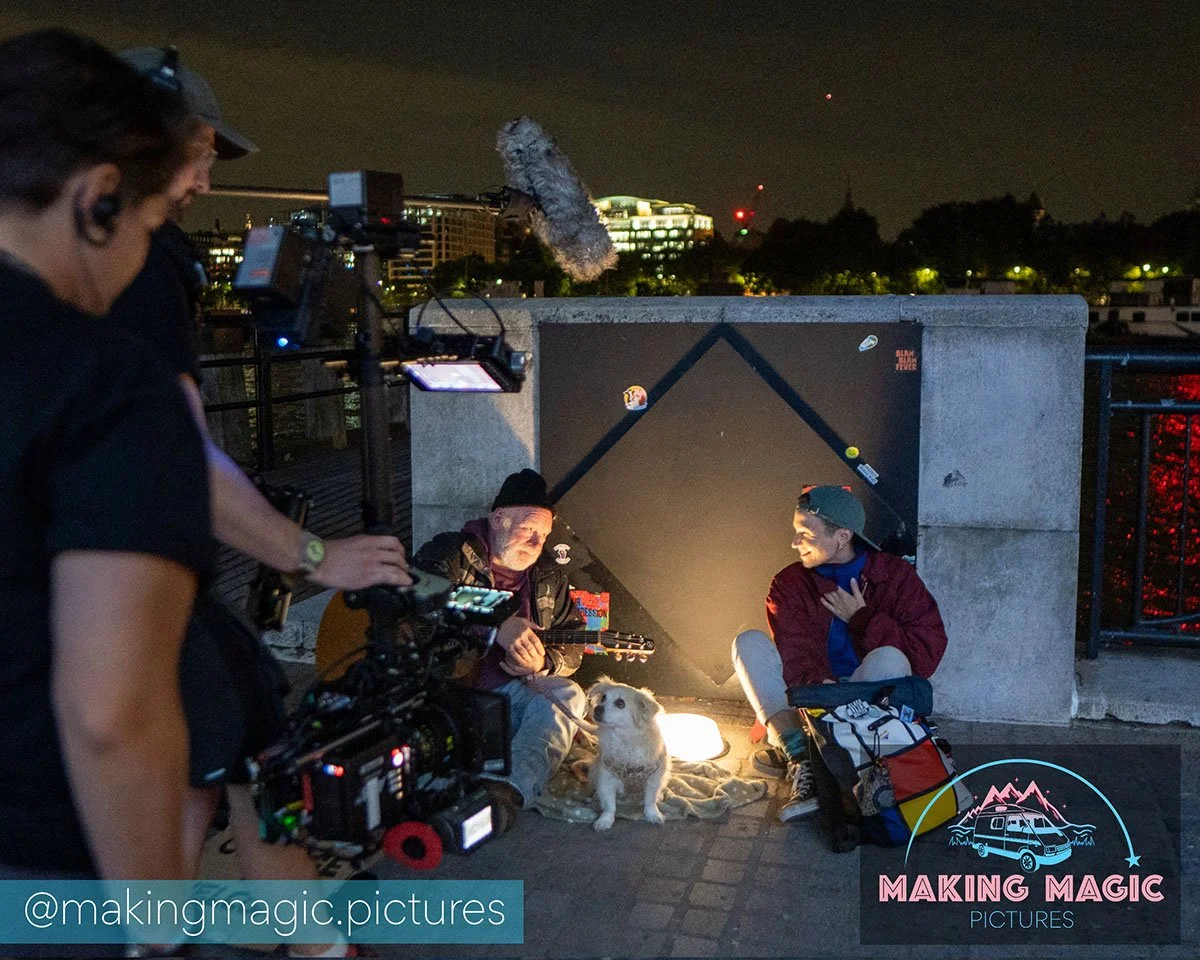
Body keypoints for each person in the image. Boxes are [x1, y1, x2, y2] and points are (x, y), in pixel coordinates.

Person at [110, 47, 406, 958]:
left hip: (107, 580)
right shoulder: (135, 260)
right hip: (126, 581)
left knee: (212, 757)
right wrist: (315, 555)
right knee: (254, 748)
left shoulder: (59, 256)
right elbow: (180, 454)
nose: (204, 180)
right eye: (198, 154)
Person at [0, 28, 202, 882]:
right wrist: (151, 921)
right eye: (151, 225)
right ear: (100, 200)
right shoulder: (106, 384)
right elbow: (111, 714)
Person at [732, 485, 948, 823]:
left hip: (869, 698)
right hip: (815, 694)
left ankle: (867, 766)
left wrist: (862, 619)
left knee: (889, 658)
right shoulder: (789, 583)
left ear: (843, 536)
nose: (794, 543)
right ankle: (801, 757)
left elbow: (924, 654)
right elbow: (795, 651)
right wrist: (821, 690)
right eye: (795, 532)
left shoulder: (894, 576)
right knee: (748, 643)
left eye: (806, 534)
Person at [412, 469, 587, 829]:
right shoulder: (452, 552)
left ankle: (505, 791)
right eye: (529, 529)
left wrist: (545, 662)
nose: (537, 543)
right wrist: (497, 621)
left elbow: (574, 639)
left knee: (568, 694)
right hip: (449, 697)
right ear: (498, 519)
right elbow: (420, 591)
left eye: (544, 535)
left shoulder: (549, 574)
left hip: (511, 700)